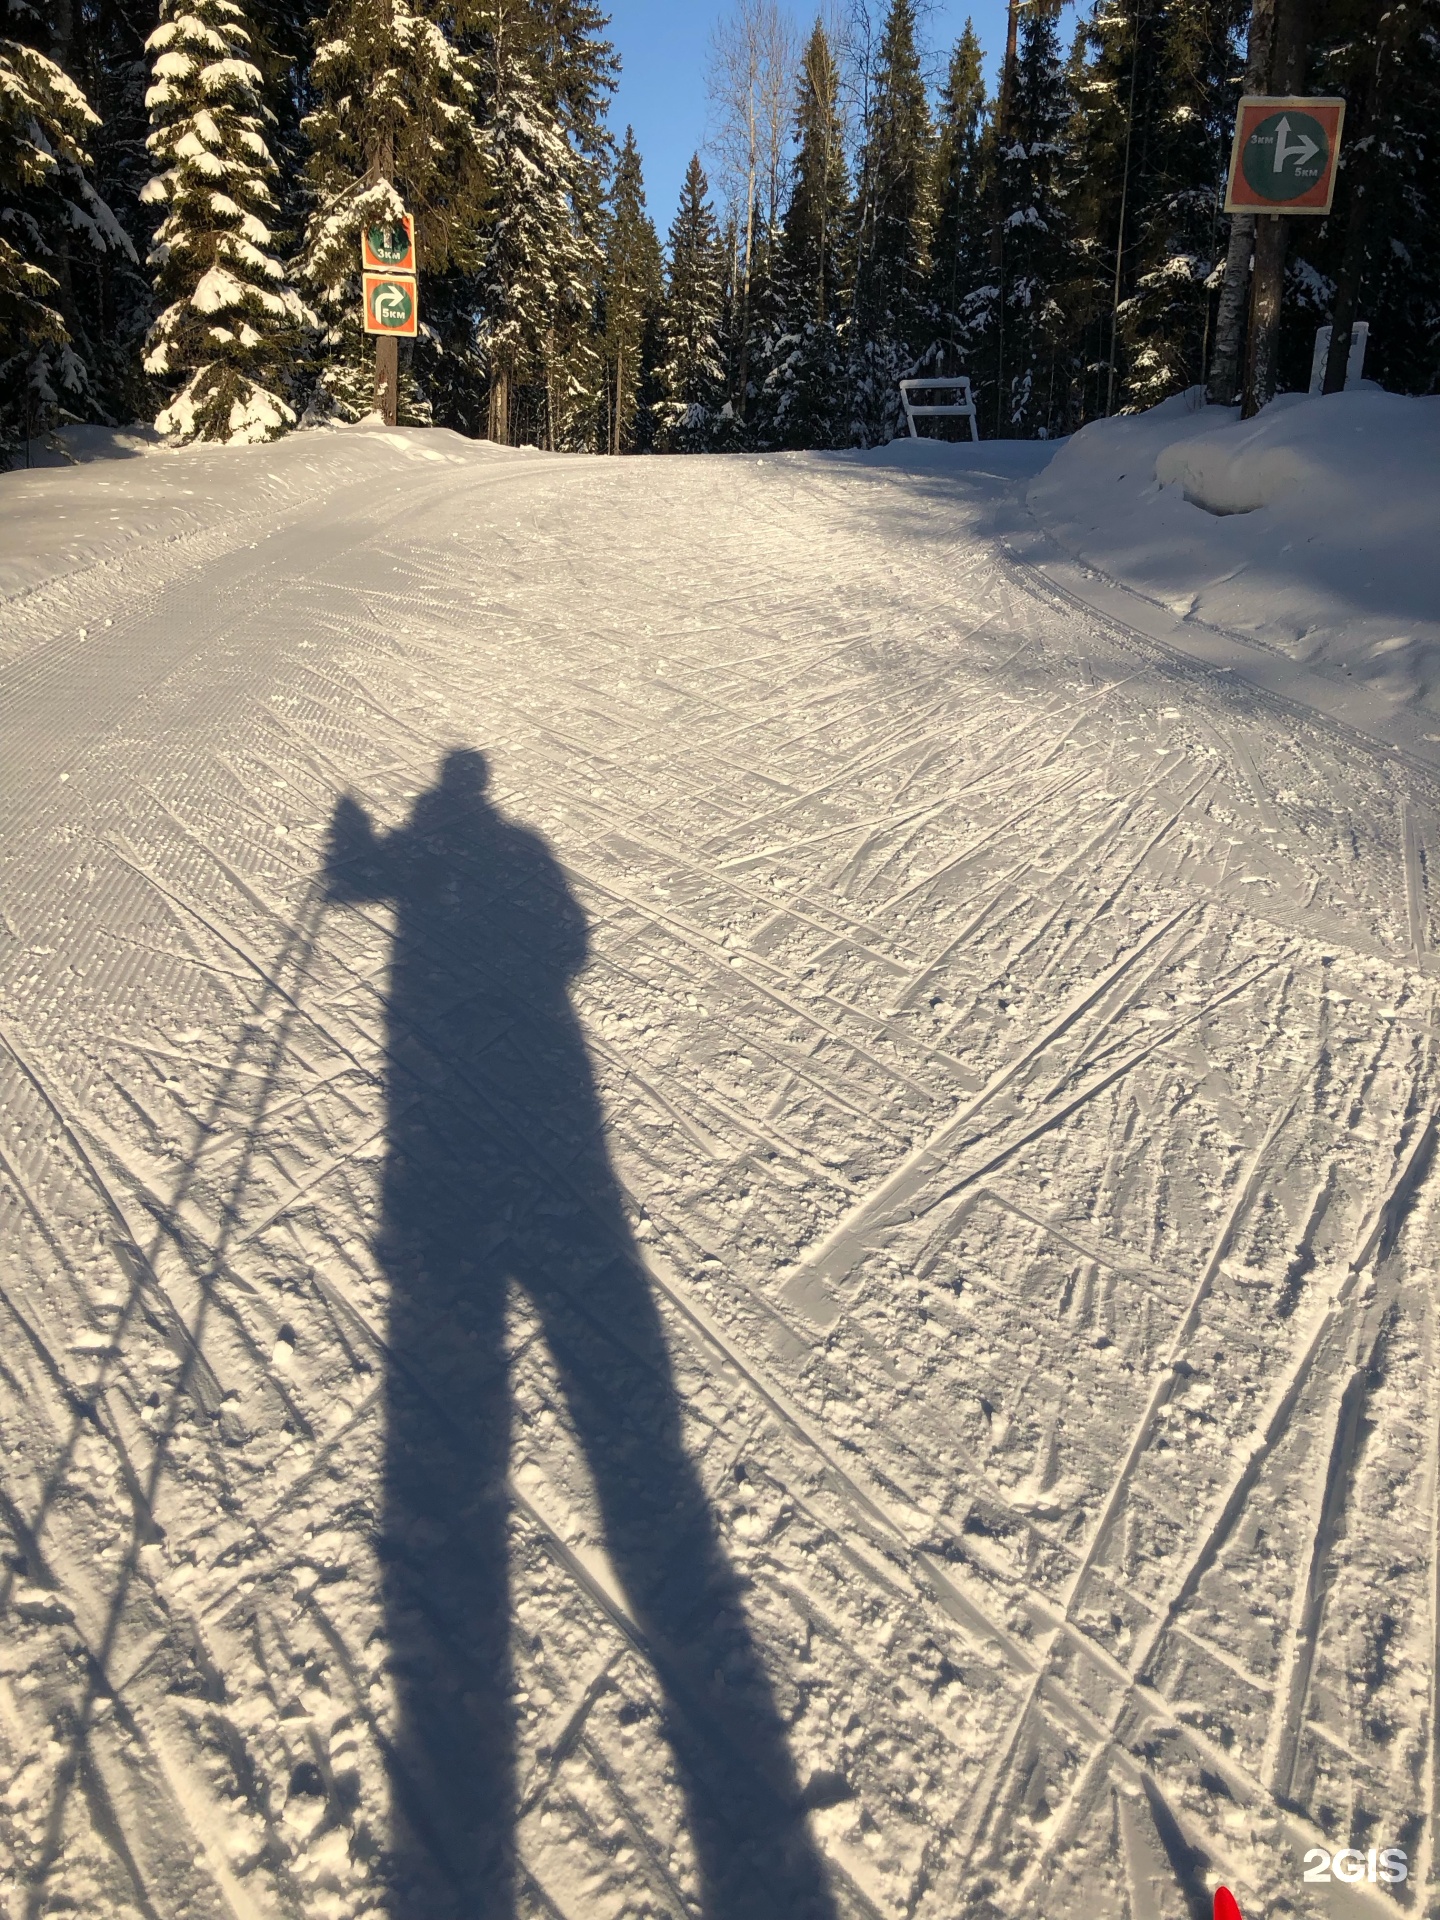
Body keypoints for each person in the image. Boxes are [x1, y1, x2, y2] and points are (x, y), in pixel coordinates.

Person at [325, 749, 835, 1920]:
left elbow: (360, 888)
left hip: (452, 1116)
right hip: (541, 1093)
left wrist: (355, 853)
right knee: (627, 1431)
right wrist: (365, 862)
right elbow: (563, 942)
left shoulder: (444, 849)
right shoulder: (500, 851)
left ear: (447, 795)